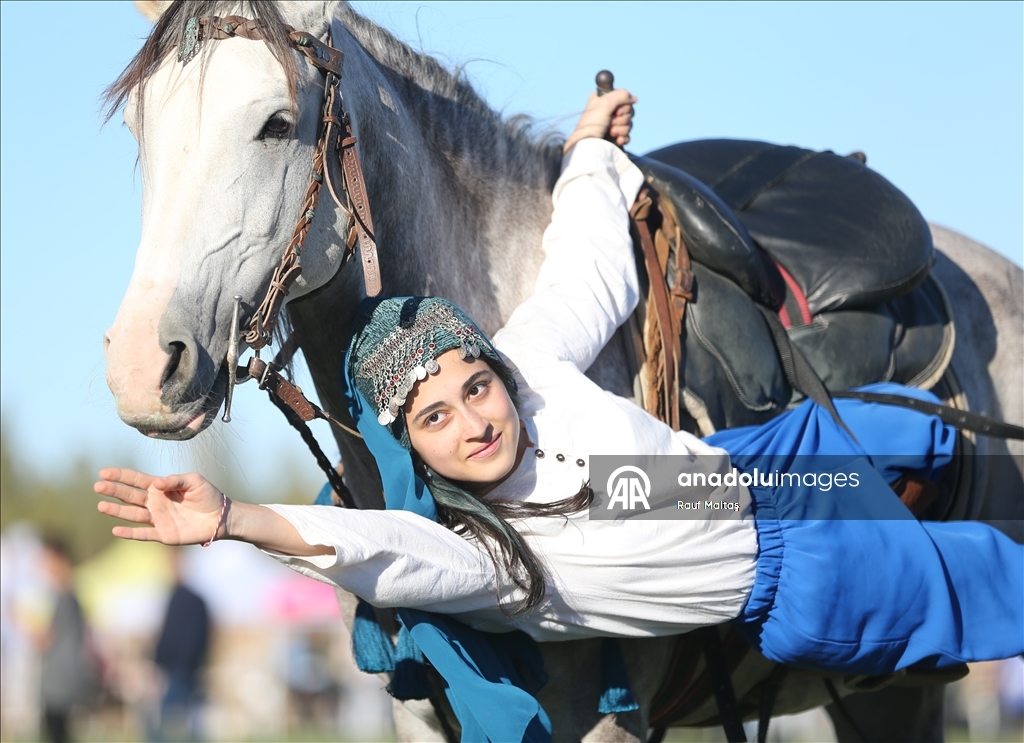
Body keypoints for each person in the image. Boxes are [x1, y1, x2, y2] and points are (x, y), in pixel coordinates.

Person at [95, 90, 1023, 731]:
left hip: (758, 465)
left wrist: (588, 149)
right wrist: (234, 520)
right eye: (436, 422)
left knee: (922, 430)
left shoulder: (531, 369)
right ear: (414, 453)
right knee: (979, 578)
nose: (473, 417)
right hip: (794, 574)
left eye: (474, 382)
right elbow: (378, 549)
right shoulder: (495, 560)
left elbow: (586, 265)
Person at [38, 538, 93, 743]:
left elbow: (47, 639)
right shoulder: (69, 593)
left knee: (56, 731)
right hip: (64, 676)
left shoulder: (65, 595)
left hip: (59, 679)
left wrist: (17, 620)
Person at [151, 549, 209, 742]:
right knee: (178, 715)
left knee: (173, 716)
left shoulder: (190, 599)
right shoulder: (175, 596)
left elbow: (194, 637)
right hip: (173, 667)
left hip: (183, 668)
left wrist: (183, 661)